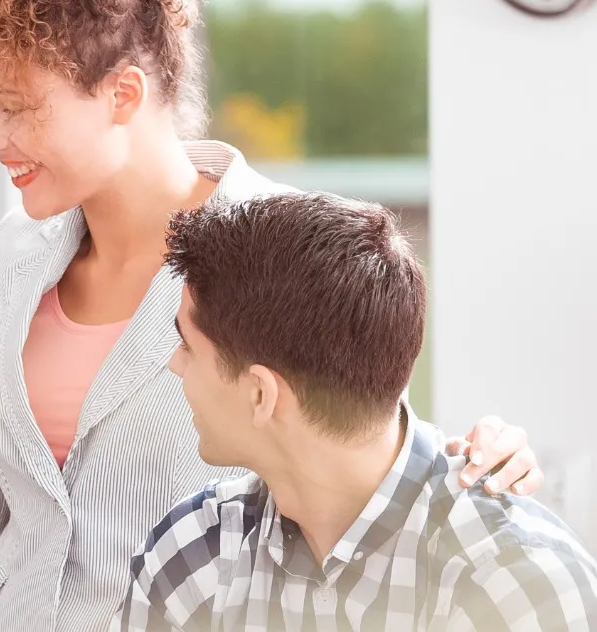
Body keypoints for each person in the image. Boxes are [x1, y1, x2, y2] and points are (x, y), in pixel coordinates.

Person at [0, 2, 551, 631]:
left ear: (123, 94)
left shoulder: (289, 251)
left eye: (16, 107)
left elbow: (361, 456)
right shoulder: (11, 256)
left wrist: (475, 463)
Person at [116, 192, 597, 630]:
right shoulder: (195, 558)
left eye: (187, 345)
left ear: (261, 394)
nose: (174, 364)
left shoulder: (513, 584)